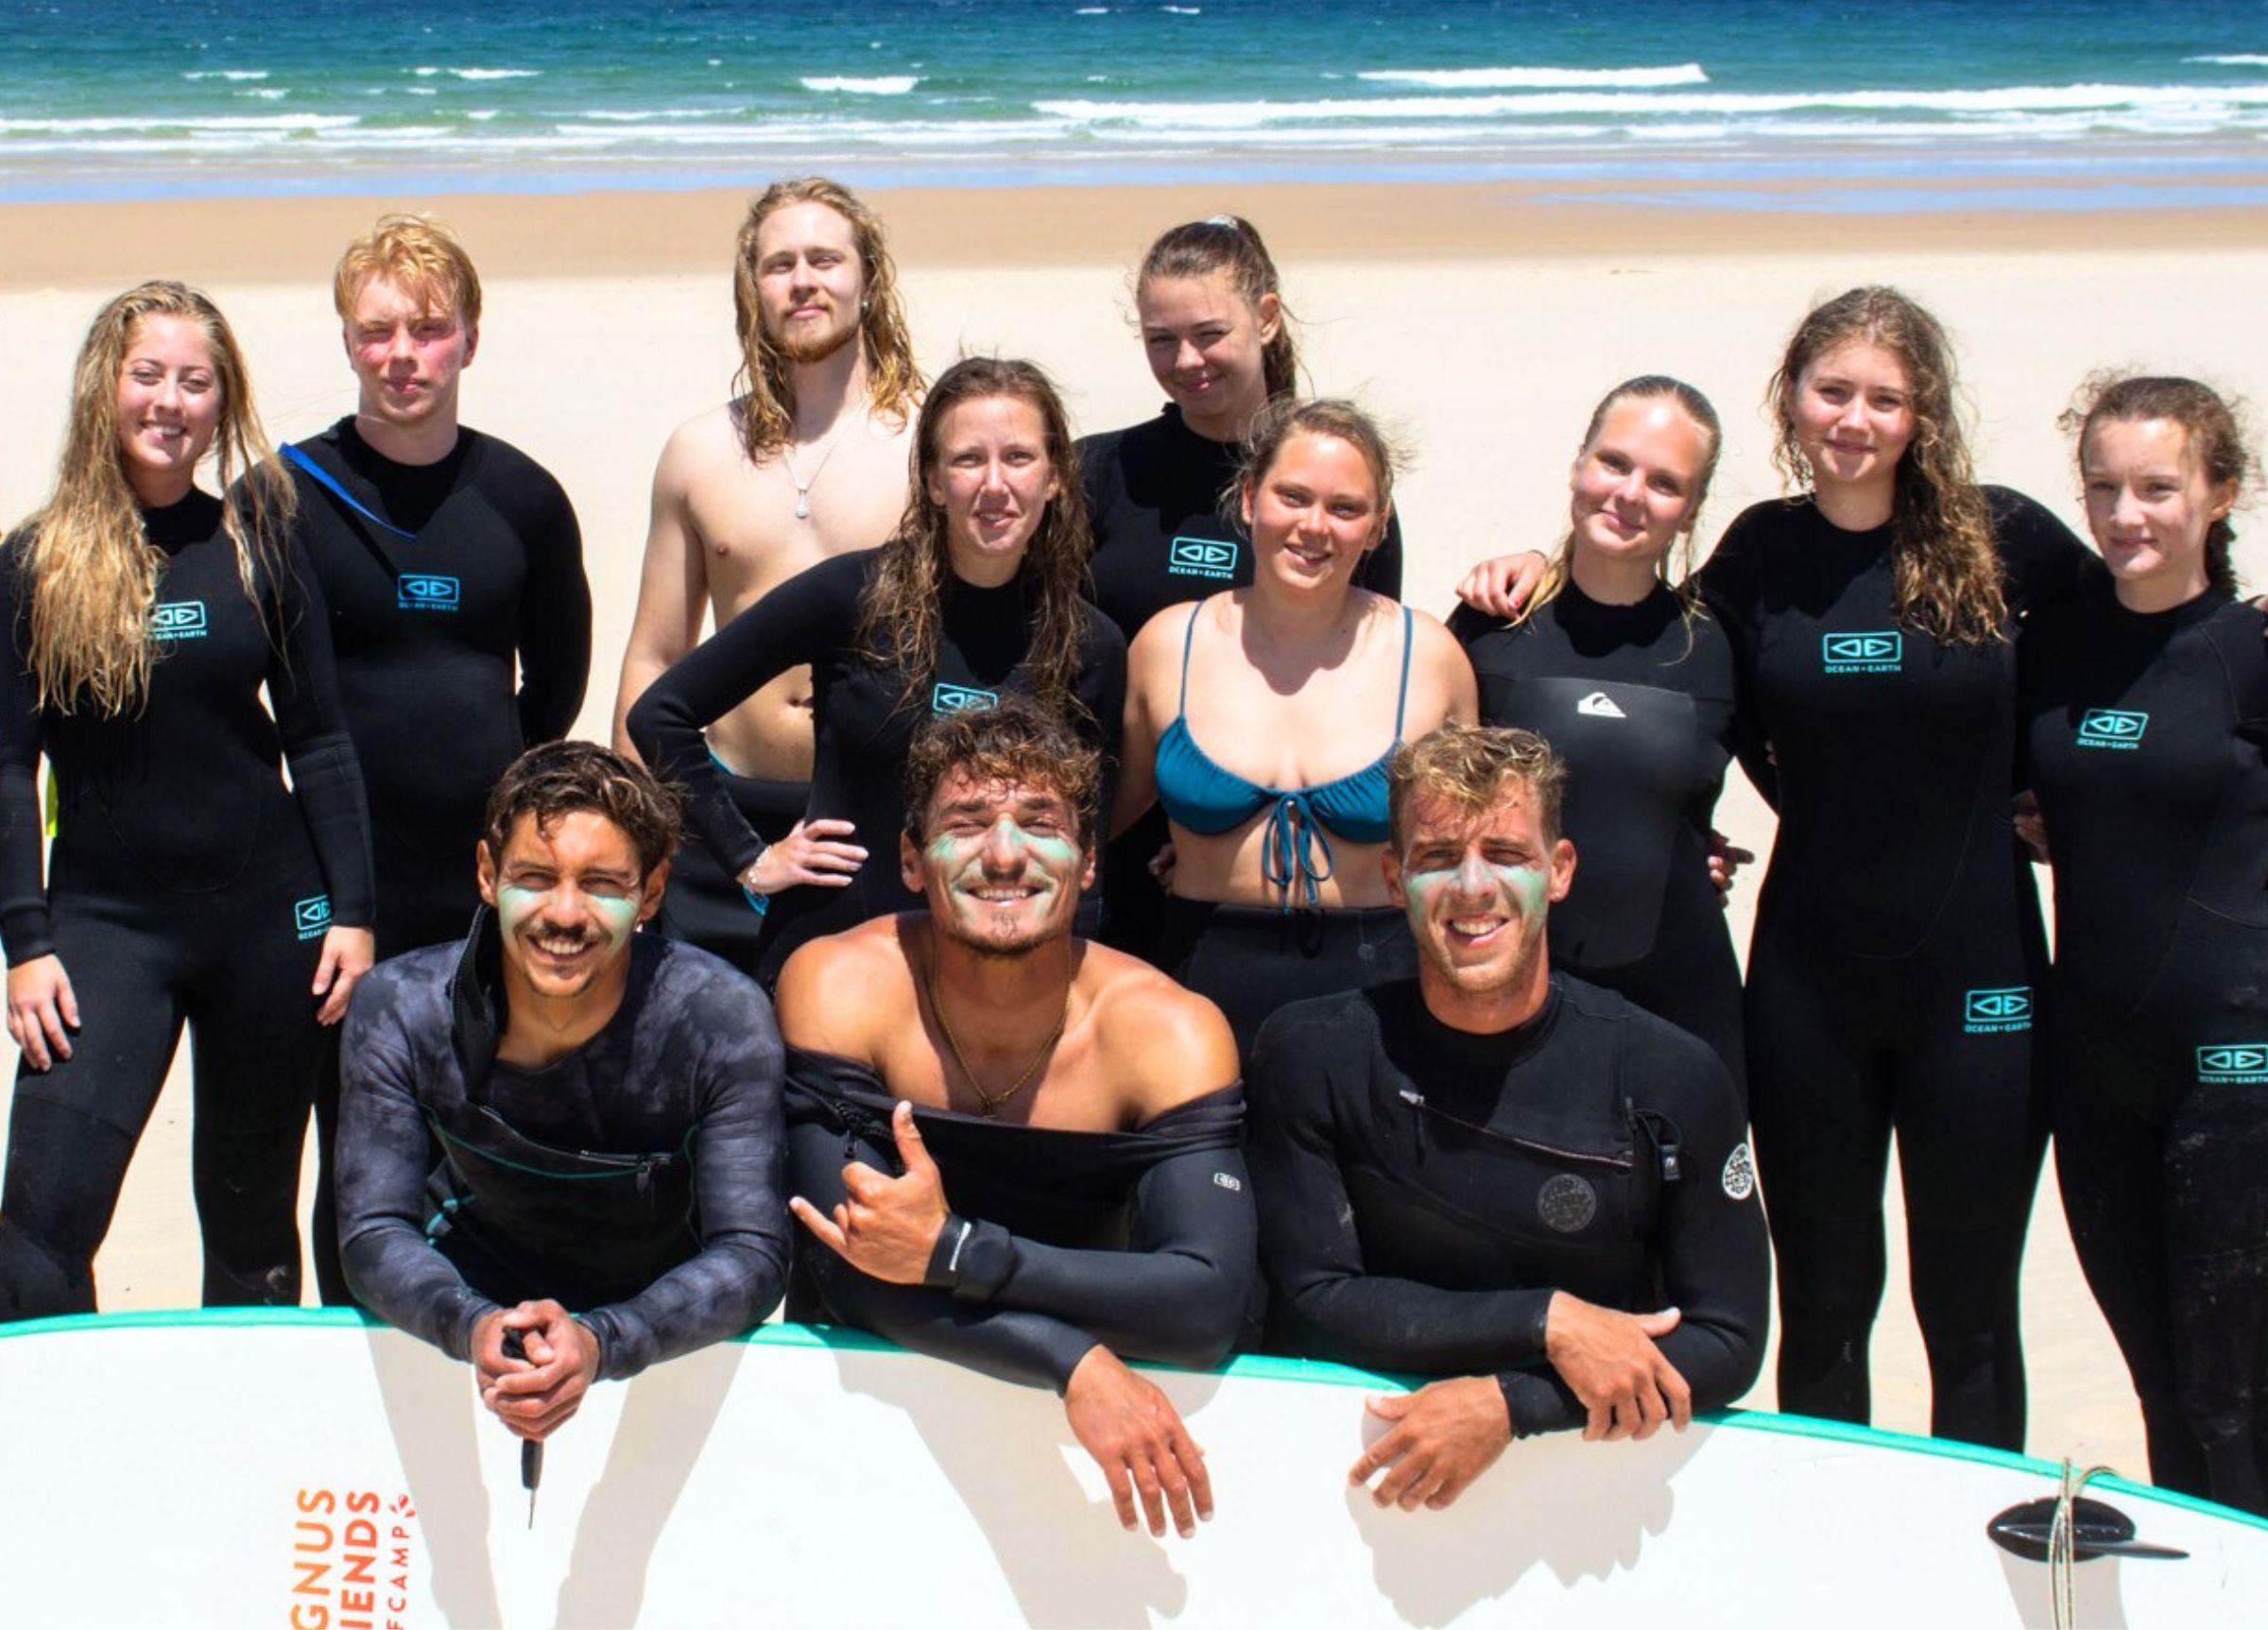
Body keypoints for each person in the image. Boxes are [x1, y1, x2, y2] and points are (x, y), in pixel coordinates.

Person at [1696, 287, 2104, 1450]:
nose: (1856, 418)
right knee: (1824, 1305)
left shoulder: (2003, 536)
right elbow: (1676, 681)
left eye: (1885, 396)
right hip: (1807, 986)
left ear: (1922, 413)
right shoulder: (1762, 553)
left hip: (1980, 976)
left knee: (1968, 1311)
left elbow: (2143, 629)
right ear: (1792, 399)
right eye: (1834, 391)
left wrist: (2065, 789)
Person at [1246, 724, 1766, 1511]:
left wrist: (1511, 1404)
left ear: (1558, 871)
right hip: (1369, 1484)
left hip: (1590, 1495)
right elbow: (1318, 1295)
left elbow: (1728, 1339)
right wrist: (1547, 1321)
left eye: (1507, 854)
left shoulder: (1672, 1072)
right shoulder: (1311, 1052)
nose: (1472, 886)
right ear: (1394, 877)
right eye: (1438, 857)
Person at [777, 698, 1256, 1540]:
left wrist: (957, 1253)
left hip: (1081, 1492)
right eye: (965, 823)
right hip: (860, 1430)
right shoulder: (842, 985)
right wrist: (1067, 1358)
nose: (1004, 854)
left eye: (1041, 823)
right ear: (912, 861)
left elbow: (1205, 1304)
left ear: (1090, 861)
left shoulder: (1166, 1031)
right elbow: (847, 1269)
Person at [0, 282, 374, 1319]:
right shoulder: (37, 562)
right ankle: (50, 1453)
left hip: (273, 920)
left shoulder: (257, 540)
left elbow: (320, 736)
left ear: (222, 401)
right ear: (104, 390)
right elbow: (6, 766)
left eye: (195, 381)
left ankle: (245, 1460)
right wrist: (25, 945)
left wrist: (353, 912)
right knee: (37, 1229)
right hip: (105, 929)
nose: (170, 401)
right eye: (148, 374)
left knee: (252, 1230)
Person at [284, 213, 593, 1304]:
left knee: (486, 1122)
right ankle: (350, 1336)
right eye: (377, 332)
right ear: (346, 340)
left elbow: (557, 680)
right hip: (337, 876)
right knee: (351, 1133)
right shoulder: (286, 498)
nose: (402, 355)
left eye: (428, 329)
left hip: (480, 875)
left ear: (468, 338)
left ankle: (488, 1329)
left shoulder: (521, 497)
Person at [336, 742, 787, 1439]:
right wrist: (470, 1322)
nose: (566, 912)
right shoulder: (402, 1005)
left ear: (654, 890)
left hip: (658, 1314)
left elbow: (752, 1254)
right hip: (465, 1292)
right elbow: (372, 1229)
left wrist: (605, 1339)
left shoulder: (717, 1019)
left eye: (603, 882)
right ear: (488, 874)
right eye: (536, 876)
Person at [629, 355, 1125, 989]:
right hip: (838, 952)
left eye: (1019, 458)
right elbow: (660, 713)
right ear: (934, 480)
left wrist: (1067, 983)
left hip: (1001, 972)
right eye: (969, 459)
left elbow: (1089, 849)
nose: (994, 484)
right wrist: (749, 857)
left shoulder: (1090, 644)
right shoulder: (854, 594)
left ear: (1055, 477)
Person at [2019, 375, 2268, 1514]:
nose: (2128, 515)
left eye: (2160, 488)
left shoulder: (2249, 651)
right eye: (2106, 488)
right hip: (2096, 1069)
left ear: (2221, 492)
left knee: (2237, 1394)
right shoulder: (2058, 647)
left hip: (2239, 1066)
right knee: (2163, 1388)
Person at [613, 178, 923, 969]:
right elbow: (655, 655)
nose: (803, 280)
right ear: (752, 288)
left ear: (869, 277)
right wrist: (633, 832)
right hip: (721, 803)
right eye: (778, 264)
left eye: (826, 258)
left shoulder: (929, 444)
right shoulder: (699, 452)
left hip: (871, 813)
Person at [1078, 215, 1402, 961]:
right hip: (1114, 844)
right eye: (1161, 339)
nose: (1186, 360)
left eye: (1208, 333)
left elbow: (1366, 679)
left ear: (1266, 316)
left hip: (1265, 863)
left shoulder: (1331, 488)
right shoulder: (1100, 473)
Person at [1114, 398, 1476, 1055]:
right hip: (1199, 993)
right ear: (1250, 498)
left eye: (1345, 508)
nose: (1315, 526)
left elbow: (1480, 843)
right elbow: (1099, 823)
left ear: (1376, 527)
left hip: (1379, 997)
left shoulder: (1429, 657)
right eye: (1293, 496)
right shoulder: (1168, 646)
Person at [1448, 377, 1746, 1093]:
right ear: (1579, 461)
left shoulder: (1716, 645)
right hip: (1509, 994)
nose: (1630, 492)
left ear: (1691, 510)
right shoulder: (1493, 626)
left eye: (1665, 481)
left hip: (1681, 998)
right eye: (1613, 462)